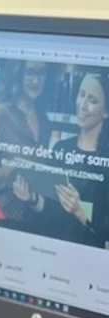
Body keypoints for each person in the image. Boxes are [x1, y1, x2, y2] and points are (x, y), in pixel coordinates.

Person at [0, 59, 53, 226]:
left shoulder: (44, 121)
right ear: (18, 73)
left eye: (41, 73)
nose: (36, 80)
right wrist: (14, 168)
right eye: (30, 72)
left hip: (28, 220)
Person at [48, 72, 109, 248]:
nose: (82, 105)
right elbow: (48, 210)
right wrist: (33, 199)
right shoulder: (61, 148)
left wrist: (78, 209)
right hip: (53, 246)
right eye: (81, 95)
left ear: (106, 111)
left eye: (92, 100)